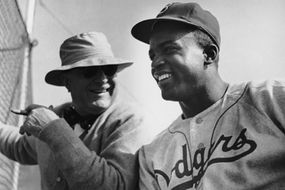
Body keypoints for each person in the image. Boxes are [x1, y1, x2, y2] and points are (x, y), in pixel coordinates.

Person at [131, 2, 285, 189]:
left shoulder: (271, 98)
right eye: (152, 55)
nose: (156, 63)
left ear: (208, 54)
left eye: (170, 49)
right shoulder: (153, 153)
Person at [0, 31, 152, 190]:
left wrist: (54, 130)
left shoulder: (129, 120)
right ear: (67, 82)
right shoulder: (57, 116)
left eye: (109, 69)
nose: (102, 79)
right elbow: (19, 145)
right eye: (90, 71)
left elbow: (114, 186)